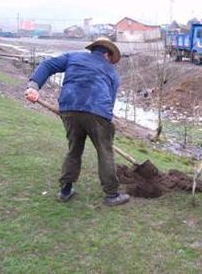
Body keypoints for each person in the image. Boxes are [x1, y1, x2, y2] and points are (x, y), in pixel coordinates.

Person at [25, 37, 130, 206]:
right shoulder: (111, 72)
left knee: (74, 149)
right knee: (105, 151)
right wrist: (106, 125)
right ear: (108, 55)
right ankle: (112, 195)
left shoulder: (73, 57)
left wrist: (33, 86)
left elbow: (47, 65)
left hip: (69, 108)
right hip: (98, 111)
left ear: (93, 49)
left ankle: (65, 190)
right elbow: (111, 99)